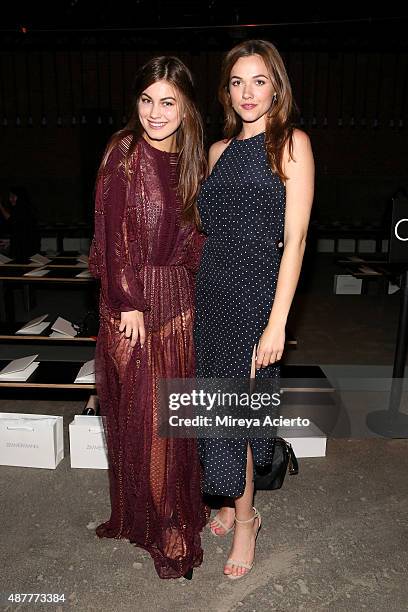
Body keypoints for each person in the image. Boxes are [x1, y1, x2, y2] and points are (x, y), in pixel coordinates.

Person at [194, 39, 314, 579]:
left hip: (257, 299)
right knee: (213, 408)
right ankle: (228, 500)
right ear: (227, 90)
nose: (247, 92)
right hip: (212, 296)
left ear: (276, 86)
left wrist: (278, 321)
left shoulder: (291, 145)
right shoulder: (217, 153)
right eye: (237, 81)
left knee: (235, 413)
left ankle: (247, 521)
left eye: (259, 80)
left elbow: (297, 240)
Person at [88, 56, 210, 580]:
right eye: (146, 100)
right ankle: (161, 523)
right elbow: (113, 236)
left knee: (172, 418)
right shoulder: (124, 152)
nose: (155, 112)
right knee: (148, 424)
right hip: (136, 304)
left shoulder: (193, 158)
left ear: (185, 107)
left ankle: (170, 510)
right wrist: (127, 301)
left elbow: (200, 238)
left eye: (167, 102)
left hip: (179, 300)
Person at [0, 186, 40, 261]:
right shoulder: (21, 208)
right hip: (26, 247)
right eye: (10, 197)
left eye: (13, 196)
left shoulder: (24, 209)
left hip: (27, 249)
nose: (10, 199)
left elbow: (11, 221)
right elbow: (17, 230)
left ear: (20, 197)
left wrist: (1, 207)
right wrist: (10, 241)